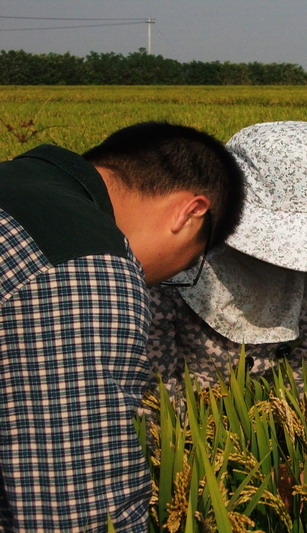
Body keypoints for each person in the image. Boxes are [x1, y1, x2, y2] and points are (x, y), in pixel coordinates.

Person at [0, 122, 245, 532]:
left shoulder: (18, 183)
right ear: (190, 212)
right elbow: (74, 511)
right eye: (191, 262)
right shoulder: (86, 268)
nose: (164, 280)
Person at [146, 121, 307, 479]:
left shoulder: (303, 266)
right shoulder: (168, 272)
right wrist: (231, 477)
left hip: (270, 436)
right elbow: (152, 397)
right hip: (196, 454)